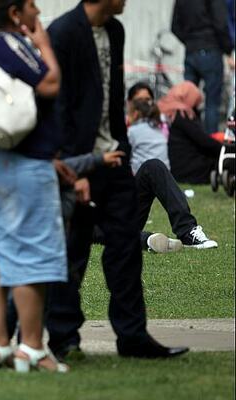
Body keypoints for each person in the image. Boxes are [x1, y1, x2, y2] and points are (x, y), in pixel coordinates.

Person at [46, 0, 188, 360]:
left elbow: (111, 100)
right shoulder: (63, 33)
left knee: (125, 249)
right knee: (73, 252)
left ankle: (133, 337)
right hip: (79, 164)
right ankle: (63, 338)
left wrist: (121, 147)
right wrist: (71, 169)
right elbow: (57, 107)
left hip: (115, 160)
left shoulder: (115, 30)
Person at [0, 0, 69, 373]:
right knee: (31, 252)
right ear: (15, 13)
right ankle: (33, 348)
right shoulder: (9, 43)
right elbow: (50, 82)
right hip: (21, 164)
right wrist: (44, 44)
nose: (38, 11)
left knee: (0, 251)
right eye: (32, 6)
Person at [172, 0, 234, 134]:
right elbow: (221, 23)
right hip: (211, 50)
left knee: (188, 102)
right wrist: (228, 49)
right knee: (212, 103)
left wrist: (190, 41)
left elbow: (175, 26)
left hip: (190, 52)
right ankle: (211, 144)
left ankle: (189, 140)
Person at [159, 81, 222, 184]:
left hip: (177, 167)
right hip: (189, 170)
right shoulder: (182, 114)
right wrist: (225, 150)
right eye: (195, 101)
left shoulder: (167, 110)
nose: (196, 106)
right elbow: (203, 141)